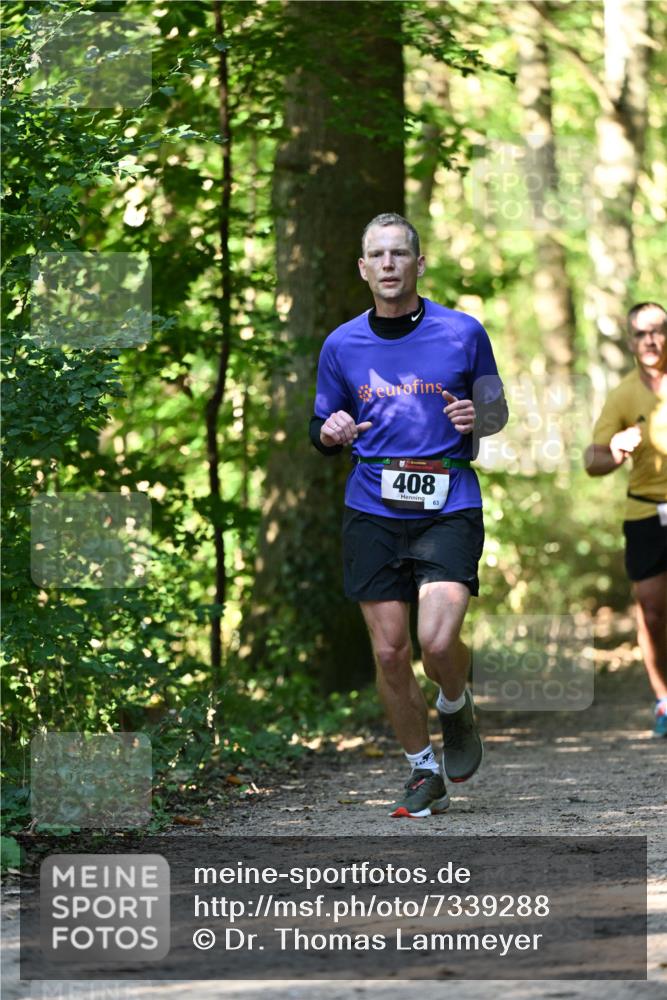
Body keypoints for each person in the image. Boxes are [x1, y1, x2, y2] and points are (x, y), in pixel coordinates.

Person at [309, 212, 508, 818]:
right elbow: (321, 429)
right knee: (392, 652)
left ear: (419, 264)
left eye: (401, 254)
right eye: (379, 255)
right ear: (364, 268)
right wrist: (331, 429)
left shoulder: (463, 332)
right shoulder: (341, 344)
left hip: (448, 500)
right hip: (371, 506)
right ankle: (423, 772)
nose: (390, 264)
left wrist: (480, 419)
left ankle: (455, 701)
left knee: (437, 638)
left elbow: (496, 412)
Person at [585, 302, 667, 738]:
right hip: (644, 512)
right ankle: (664, 701)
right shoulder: (622, 395)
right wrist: (615, 449)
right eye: (641, 333)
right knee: (653, 613)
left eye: (657, 331)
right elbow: (592, 460)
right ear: (631, 340)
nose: (650, 340)